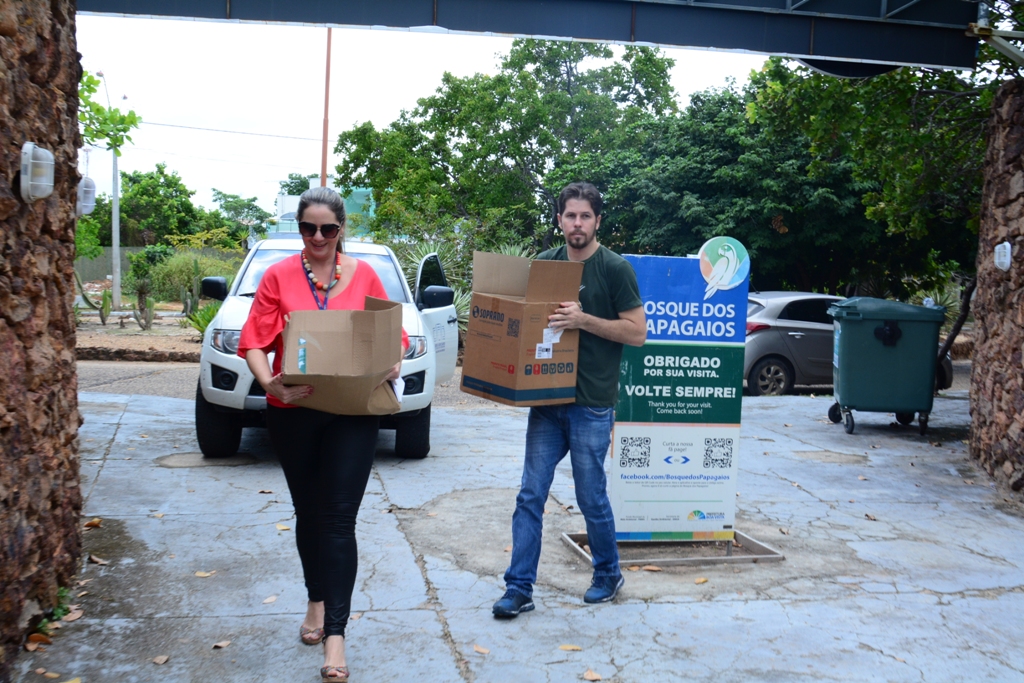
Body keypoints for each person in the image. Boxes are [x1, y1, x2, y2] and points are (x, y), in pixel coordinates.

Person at [238, 186, 406, 682]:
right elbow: (254, 338)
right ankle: (315, 599)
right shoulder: (278, 275)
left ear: (341, 231)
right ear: (299, 228)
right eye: (308, 228)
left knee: (337, 520)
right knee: (308, 514)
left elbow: (390, 338)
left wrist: (391, 362)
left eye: (327, 229)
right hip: (295, 409)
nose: (317, 237)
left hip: (353, 413)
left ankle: (336, 635)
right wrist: (270, 383)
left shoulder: (367, 275)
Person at [493, 182, 647, 618]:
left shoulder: (614, 269)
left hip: (592, 403)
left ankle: (607, 574)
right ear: (559, 219)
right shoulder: (545, 265)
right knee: (530, 495)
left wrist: (583, 320)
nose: (576, 223)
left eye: (584, 216)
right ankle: (519, 587)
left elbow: (637, 333)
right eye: (569, 215)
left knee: (591, 496)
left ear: (597, 221)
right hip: (547, 399)